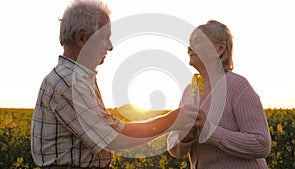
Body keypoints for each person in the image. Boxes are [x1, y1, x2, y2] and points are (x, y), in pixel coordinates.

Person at [31, 0, 200, 168]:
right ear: (82, 38)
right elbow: (113, 138)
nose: (110, 47)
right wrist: (171, 121)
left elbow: (115, 128)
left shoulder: (75, 79)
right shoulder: (69, 83)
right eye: (105, 37)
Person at [167, 20, 271, 169]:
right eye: (190, 42)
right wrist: (186, 137)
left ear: (220, 48)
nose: (189, 47)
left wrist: (209, 130)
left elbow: (261, 144)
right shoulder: (189, 92)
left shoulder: (237, 86)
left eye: (198, 41)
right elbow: (175, 149)